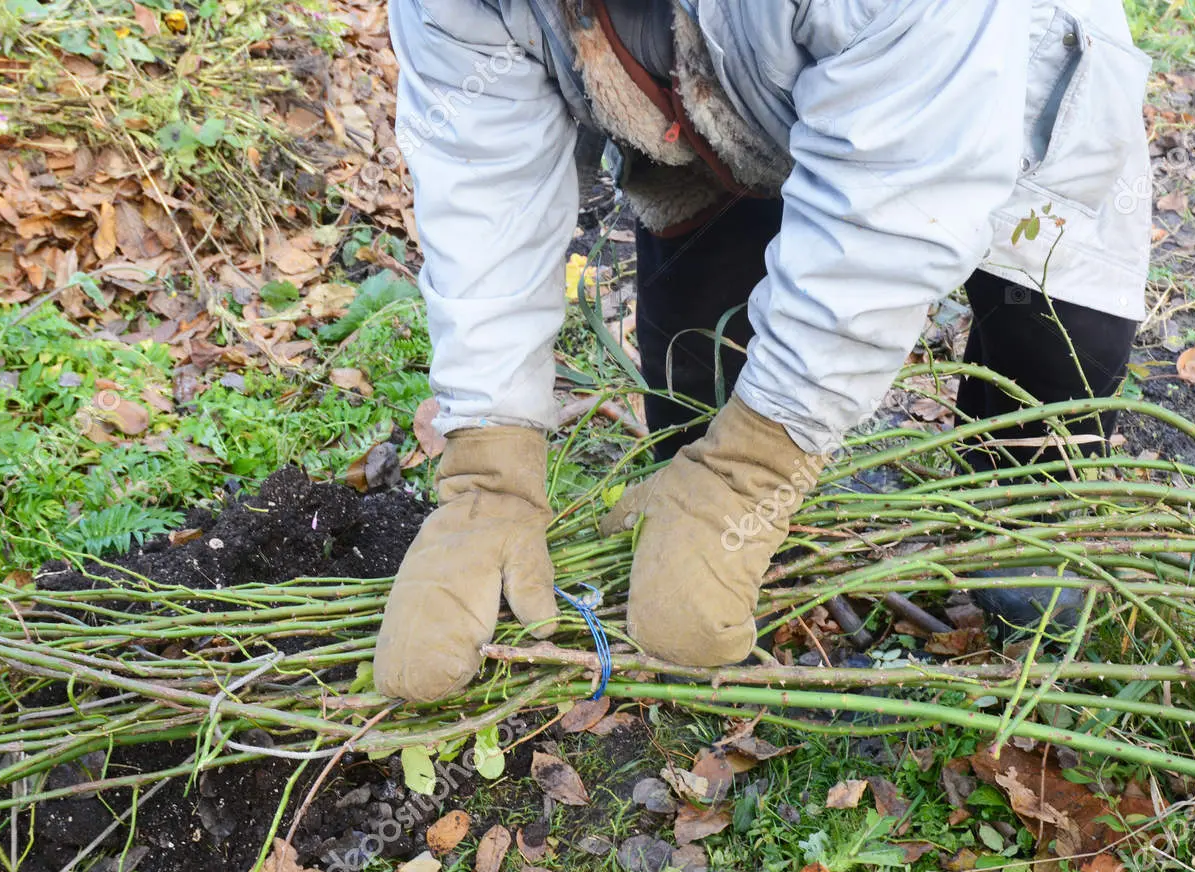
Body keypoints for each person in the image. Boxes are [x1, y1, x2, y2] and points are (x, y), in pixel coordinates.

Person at [374, 0, 1153, 702]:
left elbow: (901, 197)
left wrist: (757, 462)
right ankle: (764, 550)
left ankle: (1020, 526)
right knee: (689, 388)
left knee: (1046, 366)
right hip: (715, 112)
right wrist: (489, 466)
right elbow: (481, 182)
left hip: (1000, 86)